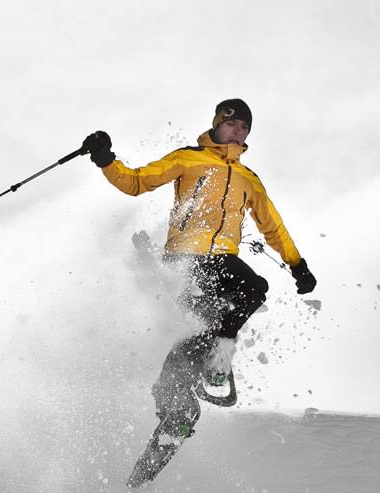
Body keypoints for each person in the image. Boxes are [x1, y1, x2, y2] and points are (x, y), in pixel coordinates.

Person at [79, 98, 317, 447]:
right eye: (233, 124)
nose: (238, 132)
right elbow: (136, 182)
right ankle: (176, 399)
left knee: (247, 292)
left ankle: (197, 375)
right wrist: (105, 159)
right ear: (218, 123)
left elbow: (272, 227)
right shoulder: (188, 158)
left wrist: (297, 264)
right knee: (205, 321)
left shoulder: (249, 179)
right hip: (185, 258)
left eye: (244, 128)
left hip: (223, 259)